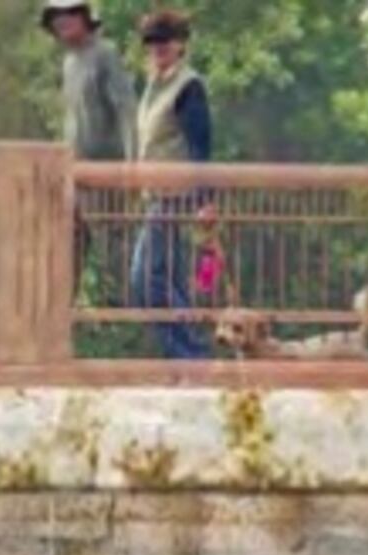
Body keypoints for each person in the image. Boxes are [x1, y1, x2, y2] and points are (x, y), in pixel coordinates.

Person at [128, 9, 216, 362]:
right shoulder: (153, 84)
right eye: (152, 41)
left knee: (145, 278)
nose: (158, 47)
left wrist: (207, 200)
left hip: (176, 196)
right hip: (156, 196)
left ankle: (191, 355)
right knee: (169, 280)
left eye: (165, 40)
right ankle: (188, 357)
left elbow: (200, 146)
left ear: (180, 44)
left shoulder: (188, 86)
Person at [42, 5, 137, 170]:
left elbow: (126, 109)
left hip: (108, 169)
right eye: (55, 16)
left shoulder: (105, 53)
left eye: (70, 13)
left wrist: (133, 162)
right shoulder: (69, 63)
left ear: (84, 18)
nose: (62, 20)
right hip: (76, 165)